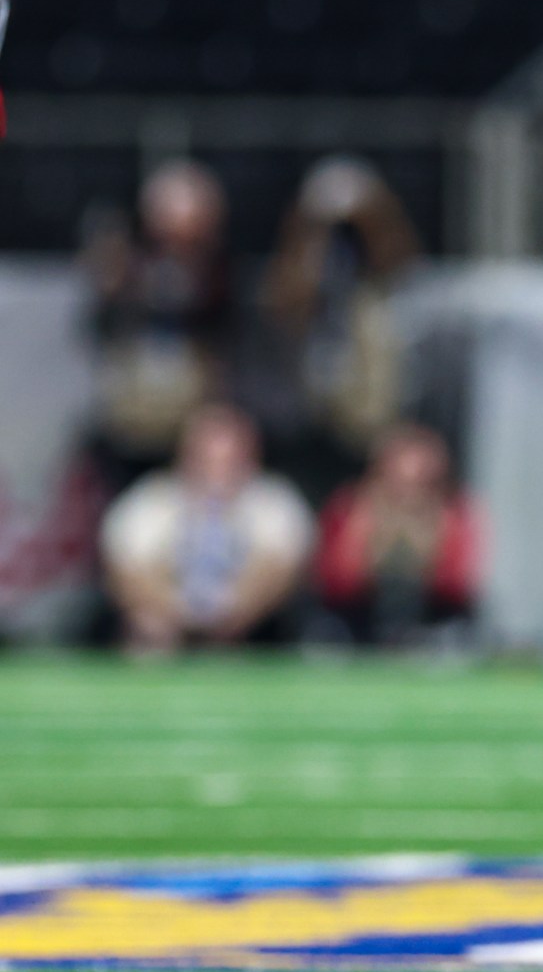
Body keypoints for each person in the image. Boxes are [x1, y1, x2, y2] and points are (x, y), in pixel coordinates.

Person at [255, 155, 422, 498]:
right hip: (306, 422)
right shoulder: (300, 268)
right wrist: (312, 229)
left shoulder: (385, 277)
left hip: (370, 422)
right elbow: (286, 299)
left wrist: (371, 219)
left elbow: (399, 266)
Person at [99, 404, 312, 654]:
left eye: (231, 461)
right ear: (186, 457)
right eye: (207, 460)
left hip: (257, 632)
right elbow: (126, 571)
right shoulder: (151, 501)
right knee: (145, 625)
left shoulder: (274, 502)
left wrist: (230, 611)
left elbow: (281, 569)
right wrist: (180, 612)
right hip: (166, 628)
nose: (218, 473)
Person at [84, 159, 236, 483]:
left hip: (194, 432)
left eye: (190, 228)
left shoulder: (221, 275)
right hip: (128, 428)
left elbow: (226, 335)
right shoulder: (126, 268)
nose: (177, 237)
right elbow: (98, 330)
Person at [314, 423, 479, 647]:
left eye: (420, 483)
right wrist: (369, 537)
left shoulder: (456, 512)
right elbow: (335, 582)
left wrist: (431, 543)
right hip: (357, 624)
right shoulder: (350, 506)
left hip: (433, 625)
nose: (407, 494)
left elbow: (458, 587)